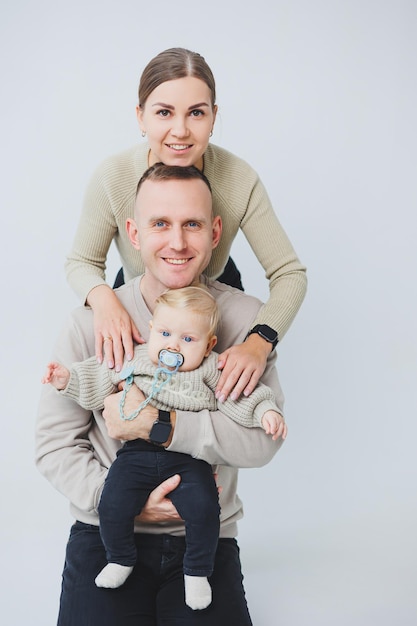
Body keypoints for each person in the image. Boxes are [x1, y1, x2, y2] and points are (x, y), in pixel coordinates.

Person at [36, 163, 286, 625]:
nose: (177, 242)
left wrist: (161, 426)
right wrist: (122, 501)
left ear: (215, 232)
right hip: (103, 531)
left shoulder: (244, 323)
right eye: (160, 224)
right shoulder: (88, 324)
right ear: (133, 232)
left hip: (205, 535)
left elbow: (260, 441)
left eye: (192, 224)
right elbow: (54, 445)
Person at [65, 46, 307, 402]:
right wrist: (105, 302)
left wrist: (260, 342)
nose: (180, 131)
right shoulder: (112, 176)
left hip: (210, 292)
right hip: (137, 293)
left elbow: (290, 273)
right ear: (140, 117)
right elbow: (81, 262)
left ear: (213, 117)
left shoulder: (240, 179)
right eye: (164, 112)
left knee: (222, 404)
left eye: (196, 113)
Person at [42, 284, 286, 609]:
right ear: (151, 330)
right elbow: (96, 379)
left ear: (209, 344)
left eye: (188, 339)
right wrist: (67, 380)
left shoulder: (212, 368)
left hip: (189, 461)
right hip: (136, 457)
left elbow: (242, 397)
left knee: (204, 507)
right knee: (113, 499)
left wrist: (265, 411)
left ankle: (197, 571)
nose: (174, 345)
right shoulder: (135, 358)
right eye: (166, 333)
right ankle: (120, 558)